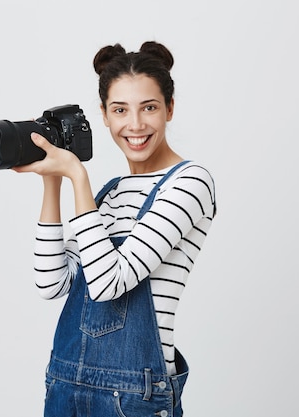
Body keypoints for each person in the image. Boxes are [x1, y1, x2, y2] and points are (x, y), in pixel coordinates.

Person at [13, 41, 217, 417]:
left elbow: (110, 283)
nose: (135, 124)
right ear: (105, 115)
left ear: (170, 109)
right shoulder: (106, 195)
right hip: (64, 387)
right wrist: (53, 181)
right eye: (120, 109)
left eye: (149, 108)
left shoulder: (189, 182)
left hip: (133, 399)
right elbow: (50, 284)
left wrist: (76, 174)